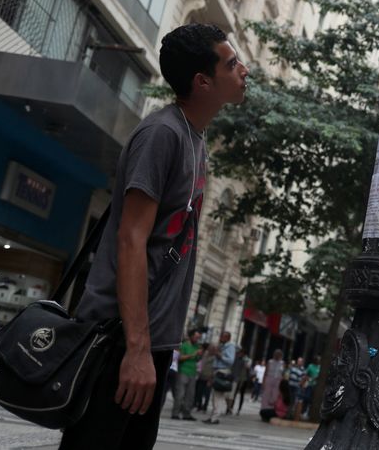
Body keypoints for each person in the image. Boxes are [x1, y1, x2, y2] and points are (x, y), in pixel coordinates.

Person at [58, 24, 248, 450]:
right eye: (232, 64)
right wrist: (137, 350)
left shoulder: (194, 138)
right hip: (119, 340)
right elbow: (131, 239)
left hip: (152, 341)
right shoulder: (162, 134)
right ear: (202, 82)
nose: (244, 70)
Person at [204, 331, 236, 424]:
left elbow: (230, 361)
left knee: (217, 395)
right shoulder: (222, 346)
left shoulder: (230, 347)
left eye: (222, 337)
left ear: (228, 338)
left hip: (222, 372)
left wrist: (219, 355)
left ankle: (215, 417)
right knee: (216, 395)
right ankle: (214, 416)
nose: (220, 338)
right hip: (217, 371)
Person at [172, 329, 202, 420]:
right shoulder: (184, 345)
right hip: (183, 372)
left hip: (192, 373)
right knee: (180, 394)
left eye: (198, 338)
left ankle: (186, 414)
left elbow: (197, 359)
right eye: (196, 337)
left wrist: (199, 355)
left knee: (190, 395)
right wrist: (193, 354)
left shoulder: (197, 346)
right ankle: (175, 413)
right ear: (191, 336)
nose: (197, 339)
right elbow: (179, 358)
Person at [229, 347, 251, 415]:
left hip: (244, 379)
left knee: (241, 394)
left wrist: (244, 362)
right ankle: (230, 408)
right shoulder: (237, 358)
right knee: (233, 393)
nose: (240, 354)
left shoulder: (248, 360)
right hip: (237, 378)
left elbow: (248, 367)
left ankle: (239, 409)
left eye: (241, 353)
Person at [195, 343, 216, 412]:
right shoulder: (205, 354)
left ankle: (205, 406)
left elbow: (214, 369)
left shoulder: (215, 357)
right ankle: (199, 405)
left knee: (207, 393)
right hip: (201, 375)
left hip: (209, 377)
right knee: (199, 392)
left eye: (212, 349)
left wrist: (211, 379)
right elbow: (200, 362)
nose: (210, 350)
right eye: (209, 348)